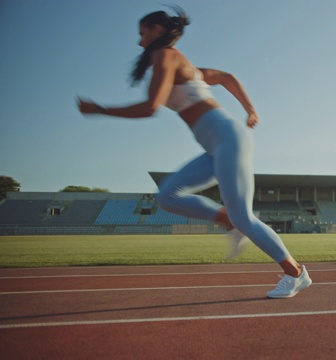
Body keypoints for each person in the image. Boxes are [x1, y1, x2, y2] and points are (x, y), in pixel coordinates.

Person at [77, 6, 311, 299]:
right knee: (167, 196)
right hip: (215, 148)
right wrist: (249, 109)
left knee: (245, 218)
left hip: (228, 139)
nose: (139, 42)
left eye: (143, 33)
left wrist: (101, 109)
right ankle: (228, 220)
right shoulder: (189, 68)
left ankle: (296, 274)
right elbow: (226, 77)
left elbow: (151, 107)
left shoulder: (166, 56)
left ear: (158, 31)